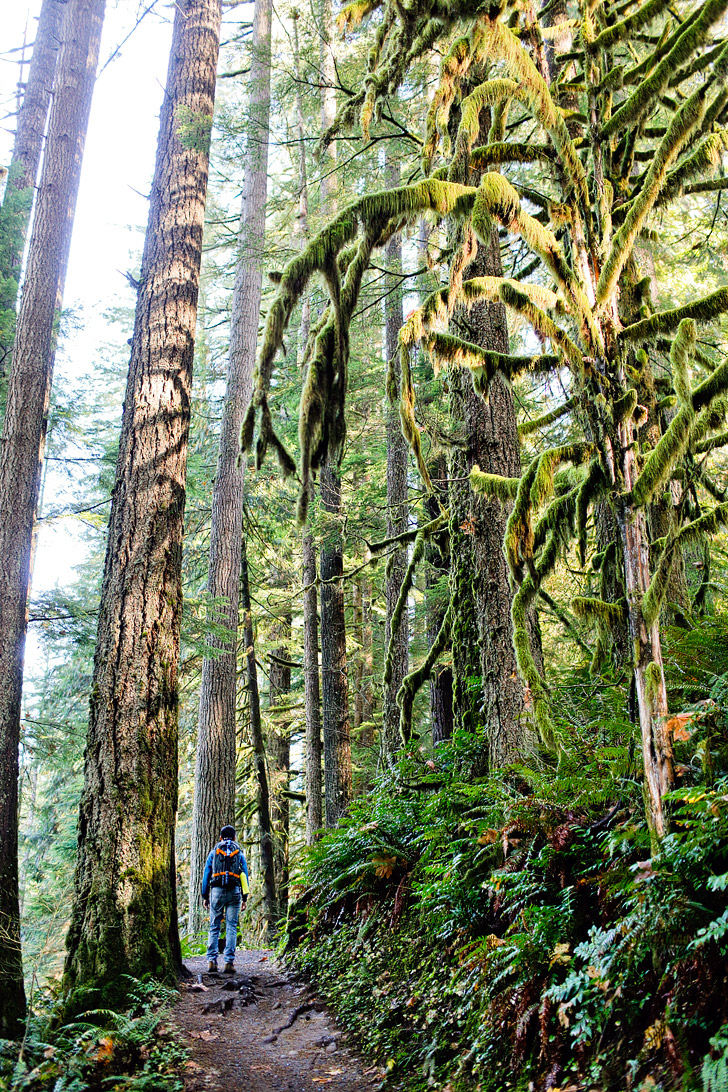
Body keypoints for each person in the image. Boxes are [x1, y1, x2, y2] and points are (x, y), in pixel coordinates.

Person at [201, 824, 250, 974]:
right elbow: (245, 876)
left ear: (220, 837)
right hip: (234, 891)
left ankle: (211, 961)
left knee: (214, 926)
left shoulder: (214, 852)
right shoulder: (239, 853)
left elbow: (206, 874)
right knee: (231, 926)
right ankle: (229, 962)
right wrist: (244, 897)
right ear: (234, 837)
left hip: (216, 891)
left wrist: (205, 895)